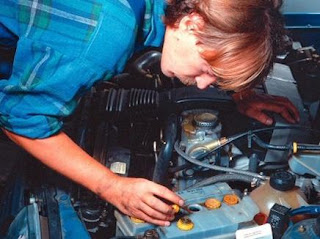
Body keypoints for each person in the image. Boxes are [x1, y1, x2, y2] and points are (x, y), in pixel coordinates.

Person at [0, 0, 299, 227]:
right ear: (191, 24)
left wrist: (237, 93)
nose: (205, 85)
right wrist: (111, 185)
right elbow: (23, 121)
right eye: (209, 71)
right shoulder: (104, 36)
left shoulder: (174, 9)